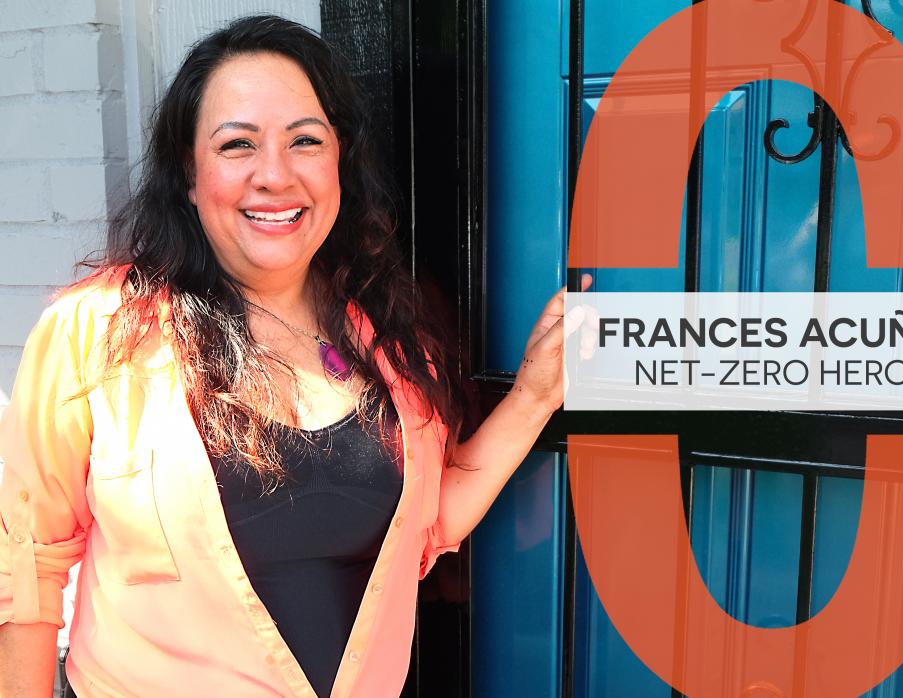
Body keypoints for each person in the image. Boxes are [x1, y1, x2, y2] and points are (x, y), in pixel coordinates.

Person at [0, 15, 590, 698]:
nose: (274, 175)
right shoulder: (95, 333)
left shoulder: (388, 343)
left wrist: (536, 397)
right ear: (190, 176)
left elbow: (427, 528)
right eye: (237, 144)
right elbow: (27, 561)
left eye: (305, 141)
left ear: (339, 162)